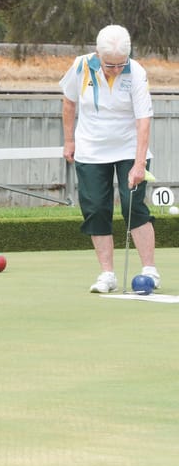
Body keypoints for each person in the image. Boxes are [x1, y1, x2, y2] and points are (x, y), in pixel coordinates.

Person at [60, 24, 160, 294]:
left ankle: (149, 269)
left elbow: (143, 119)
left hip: (129, 149)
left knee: (133, 206)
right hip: (91, 150)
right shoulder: (81, 67)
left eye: (120, 64)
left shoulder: (136, 72)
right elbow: (69, 102)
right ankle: (107, 274)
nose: (115, 69)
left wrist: (139, 163)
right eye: (109, 65)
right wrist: (69, 140)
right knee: (95, 209)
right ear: (97, 55)